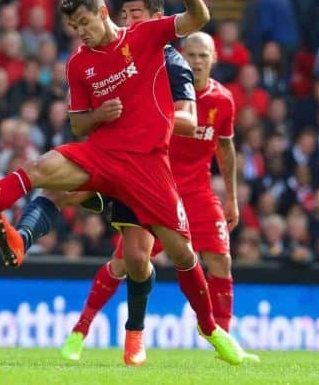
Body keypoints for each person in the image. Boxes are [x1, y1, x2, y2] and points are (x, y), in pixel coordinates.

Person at [0, 0, 253, 366]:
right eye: (74, 27)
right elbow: (77, 122)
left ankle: (209, 329)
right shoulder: (78, 64)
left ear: (103, 13)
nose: (81, 32)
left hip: (148, 166)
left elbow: (199, 19)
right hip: (102, 156)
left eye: (85, 22)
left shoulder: (146, 37)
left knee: (181, 255)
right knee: (38, 169)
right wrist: (99, 114)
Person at [60, 31, 239, 361]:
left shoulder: (223, 101)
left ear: (215, 59)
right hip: (159, 187)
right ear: (183, 57)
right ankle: (80, 330)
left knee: (221, 260)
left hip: (199, 192)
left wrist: (232, 197)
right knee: (125, 262)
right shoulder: (162, 90)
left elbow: (225, 148)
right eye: (192, 55)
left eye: (204, 55)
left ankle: (222, 342)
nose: (198, 62)